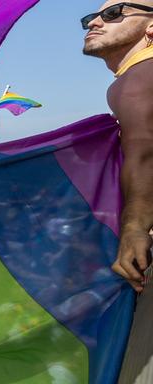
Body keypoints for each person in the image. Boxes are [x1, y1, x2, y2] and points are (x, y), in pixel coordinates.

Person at [82, 1, 153, 380]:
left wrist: (134, 228)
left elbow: (145, 150)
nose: (94, 21)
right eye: (91, 16)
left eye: (114, 13)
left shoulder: (141, 73)